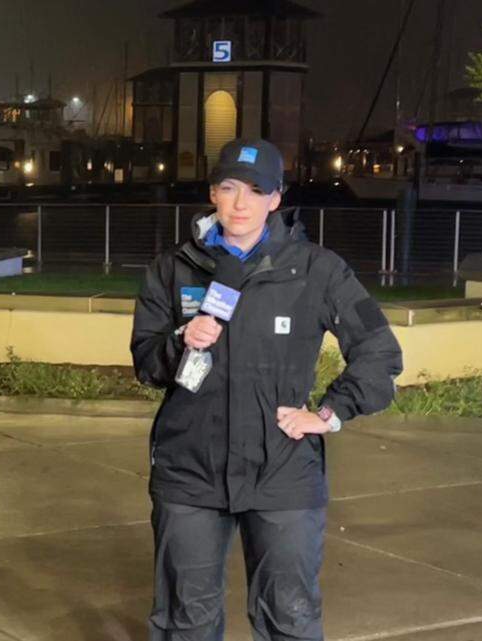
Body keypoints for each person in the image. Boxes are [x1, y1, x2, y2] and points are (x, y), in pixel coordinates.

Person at [131, 138, 403, 640]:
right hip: (189, 469)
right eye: (229, 188)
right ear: (213, 192)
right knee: (184, 620)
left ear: (276, 198)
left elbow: (380, 352)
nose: (240, 204)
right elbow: (146, 363)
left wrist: (327, 414)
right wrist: (180, 343)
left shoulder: (317, 270)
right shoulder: (172, 268)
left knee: (291, 618)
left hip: (283, 472)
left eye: (256, 191)